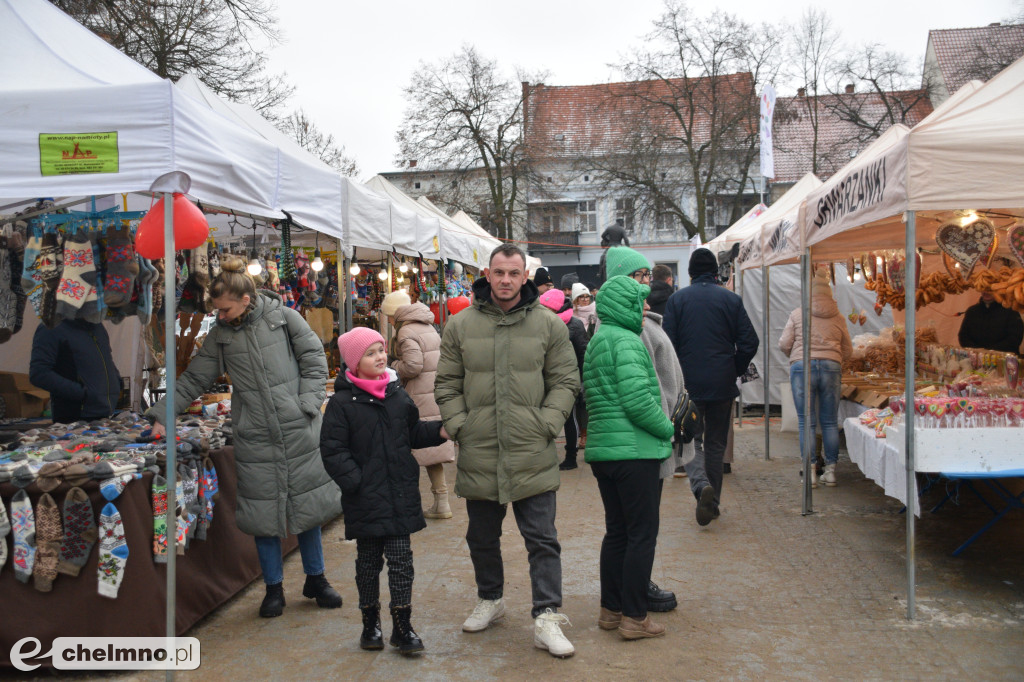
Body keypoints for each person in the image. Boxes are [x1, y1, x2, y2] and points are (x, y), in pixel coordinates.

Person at [148, 256, 342, 618]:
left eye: (224, 309)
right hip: (254, 434)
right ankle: (273, 589)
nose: (219, 316)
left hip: (297, 428)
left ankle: (316, 579)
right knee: (261, 513)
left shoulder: (285, 318)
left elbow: (315, 359)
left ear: (245, 301)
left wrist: (307, 404)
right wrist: (163, 413)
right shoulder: (221, 336)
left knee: (308, 506)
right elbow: (194, 379)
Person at [435, 243, 579, 658]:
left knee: (542, 539)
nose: (505, 281)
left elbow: (566, 380)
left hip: (530, 448)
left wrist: (547, 423)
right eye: (499, 273)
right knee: (481, 536)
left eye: (514, 274)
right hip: (480, 447)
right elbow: (446, 383)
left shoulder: (548, 325)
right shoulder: (460, 326)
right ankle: (491, 598)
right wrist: (462, 424)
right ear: (488, 273)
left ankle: (547, 616)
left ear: (524, 276)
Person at [320, 327, 449, 655]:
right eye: (371, 353)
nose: (380, 357)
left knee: (401, 559)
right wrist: (356, 483)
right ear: (354, 362)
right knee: (367, 561)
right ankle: (370, 623)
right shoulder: (340, 403)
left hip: (400, 492)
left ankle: (402, 627)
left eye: (381, 350)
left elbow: (413, 433)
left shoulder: (397, 393)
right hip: (365, 496)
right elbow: (332, 450)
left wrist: (441, 431)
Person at [582, 274, 674, 640]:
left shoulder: (598, 340)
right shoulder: (628, 342)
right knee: (642, 534)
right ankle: (635, 617)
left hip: (606, 451)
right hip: (634, 451)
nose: (646, 307)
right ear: (626, 305)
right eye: (640, 301)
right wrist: (669, 428)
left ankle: (611, 610)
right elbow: (638, 402)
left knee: (617, 532)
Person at [606, 246, 690, 613]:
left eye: (646, 276)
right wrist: (667, 429)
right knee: (638, 531)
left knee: (627, 530)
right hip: (641, 442)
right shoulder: (631, 329)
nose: (646, 284)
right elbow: (644, 393)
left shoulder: (638, 322)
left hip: (636, 441)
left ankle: (623, 598)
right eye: (638, 277)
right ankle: (634, 603)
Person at [662, 248, 759, 527]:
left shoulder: (677, 300)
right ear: (716, 271)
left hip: (689, 385)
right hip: (722, 384)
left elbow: (669, 345)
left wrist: (677, 376)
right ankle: (713, 501)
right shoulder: (731, 300)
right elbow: (750, 342)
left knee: (689, 441)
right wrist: (734, 367)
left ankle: (700, 486)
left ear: (690, 272)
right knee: (716, 445)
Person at [779, 269, 853, 487]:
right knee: (830, 421)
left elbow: (784, 343)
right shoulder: (838, 317)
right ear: (829, 294)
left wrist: (795, 356)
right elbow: (848, 350)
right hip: (831, 366)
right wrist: (835, 357)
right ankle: (830, 471)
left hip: (802, 367)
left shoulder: (797, 313)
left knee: (806, 421)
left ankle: (810, 470)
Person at [390, 300, 457, 518]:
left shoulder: (406, 331)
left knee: (403, 447)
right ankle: (442, 502)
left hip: (417, 395)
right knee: (431, 449)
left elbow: (413, 365)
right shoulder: (428, 326)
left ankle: (406, 505)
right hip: (433, 392)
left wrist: (393, 367)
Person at [30, 319, 121, 423]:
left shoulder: (97, 326)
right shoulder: (51, 327)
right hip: (74, 416)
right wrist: (83, 393)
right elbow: (39, 373)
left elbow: (105, 358)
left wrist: (117, 380)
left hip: (104, 412)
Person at [538, 288, 589, 471]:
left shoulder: (574, 325)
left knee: (570, 418)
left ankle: (571, 456)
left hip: (568, 379)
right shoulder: (540, 324)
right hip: (544, 379)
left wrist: (581, 380)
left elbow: (583, 353)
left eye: (546, 308)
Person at [958, 291, 1024, 354]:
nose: (986, 292)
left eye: (990, 290)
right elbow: (963, 336)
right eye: (984, 289)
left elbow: (1015, 338)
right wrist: (978, 351)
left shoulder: (1010, 311)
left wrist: (989, 352)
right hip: (975, 359)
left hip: (1003, 361)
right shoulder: (972, 311)